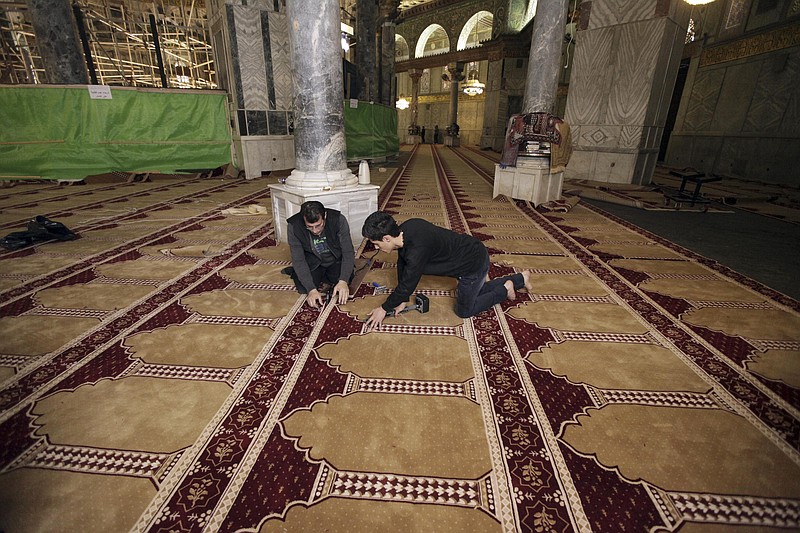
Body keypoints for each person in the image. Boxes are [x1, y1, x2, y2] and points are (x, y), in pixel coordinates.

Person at [361, 211, 532, 331]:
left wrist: (383, 309)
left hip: (473, 265)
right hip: (470, 249)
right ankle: (520, 279)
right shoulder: (407, 228)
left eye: (376, 244)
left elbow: (407, 283)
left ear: (387, 238)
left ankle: (504, 289)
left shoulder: (417, 251)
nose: (376, 248)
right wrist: (403, 299)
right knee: (475, 291)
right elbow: (402, 263)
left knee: (464, 310)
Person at [284, 201, 355, 308]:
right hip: (313, 261)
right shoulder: (294, 226)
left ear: (325, 216)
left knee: (344, 281)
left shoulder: (338, 220)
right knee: (304, 288)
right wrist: (311, 290)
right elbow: (298, 259)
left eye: (318, 225)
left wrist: (343, 280)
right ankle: (299, 273)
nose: (315, 231)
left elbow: (348, 252)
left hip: (335, 260)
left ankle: (327, 276)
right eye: (309, 227)